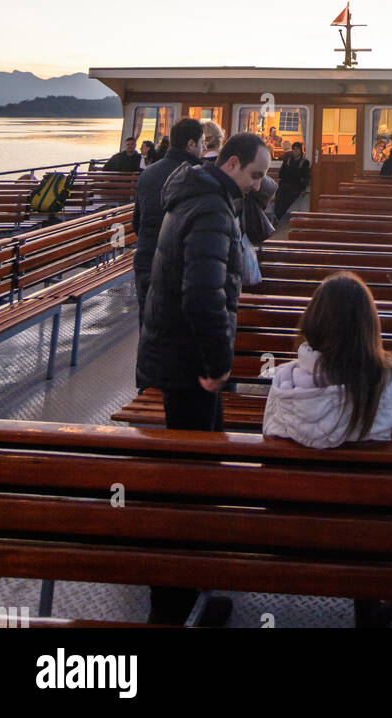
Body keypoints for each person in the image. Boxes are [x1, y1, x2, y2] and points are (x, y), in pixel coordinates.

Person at [137, 130, 272, 627]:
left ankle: (187, 588)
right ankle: (171, 604)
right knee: (191, 483)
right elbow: (203, 296)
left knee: (193, 476)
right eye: (255, 175)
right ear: (232, 164)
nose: (259, 185)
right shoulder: (213, 209)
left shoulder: (194, 194)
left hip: (174, 358)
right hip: (190, 367)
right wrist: (217, 368)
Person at [262, 270, 392, 628]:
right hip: (370, 536)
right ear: (368, 328)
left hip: (292, 530)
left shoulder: (285, 381)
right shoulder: (386, 383)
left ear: (313, 323)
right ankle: (369, 607)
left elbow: (270, 433)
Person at [131, 117, 205, 325]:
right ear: (191, 144)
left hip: (145, 261)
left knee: (148, 328)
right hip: (178, 266)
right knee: (175, 334)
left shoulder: (148, 173)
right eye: (202, 143)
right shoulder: (197, 176)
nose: (204, 148)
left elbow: (137, 221)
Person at [273, 141, 310, 221]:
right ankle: (276, 215)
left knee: (287, 199)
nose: (295, 151)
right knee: (279, 197)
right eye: (293, 149)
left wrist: (290, 170)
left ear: (301, 150)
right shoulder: (287, 160)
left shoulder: (305, 162)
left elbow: (301, 175)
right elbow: (281, 174)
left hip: (296, 186)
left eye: (297, 149)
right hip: (285, 184)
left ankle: (277, 216)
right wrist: (293, 171)